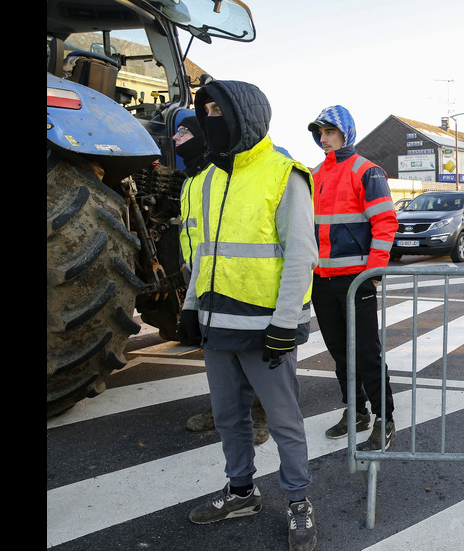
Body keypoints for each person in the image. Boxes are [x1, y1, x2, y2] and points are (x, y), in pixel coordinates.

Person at [180, 80, 318, 551]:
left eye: (221, 109)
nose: (211, 117)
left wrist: (284, 323)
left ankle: (299, 502)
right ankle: (241, 491)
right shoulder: (203, 180)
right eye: (207, 109)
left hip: (266, 329)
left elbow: (301, 255)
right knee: (228, 416)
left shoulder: (284, 174)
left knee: (283, 421)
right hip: (217, 326)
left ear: (247, 115)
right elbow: (201, 254)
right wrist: (189, 308)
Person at [173, 112, 269, 446]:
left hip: (239, 278)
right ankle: (224, 411)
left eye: (182, 132)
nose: (174, 139)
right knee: (220, 356)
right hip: (202, 275)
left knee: (248, 354)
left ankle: (258, 415)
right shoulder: (191, 181)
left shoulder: (222, 177)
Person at [307, 105, 399, 452]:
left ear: (346, 133)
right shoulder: (316, 173)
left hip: (354, 280)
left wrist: (372, 273)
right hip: (322, 280)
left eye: (329, 132)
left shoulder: (367, 171)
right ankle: (356, 411)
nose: (323, 138)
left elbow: (385, 223)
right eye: (320, 133)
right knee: (341, 354)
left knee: (366, 354)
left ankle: (384, 419)